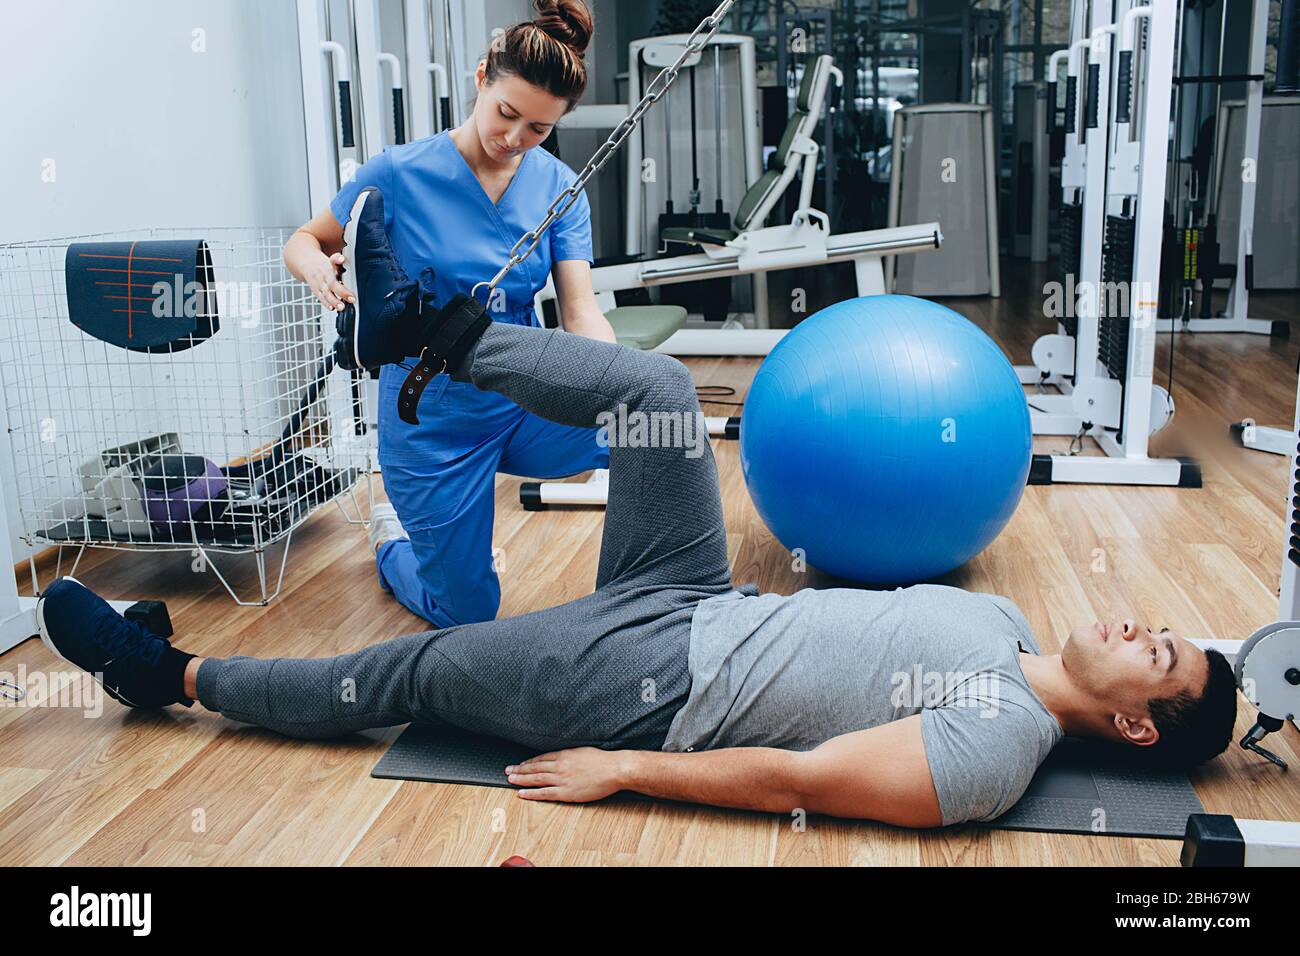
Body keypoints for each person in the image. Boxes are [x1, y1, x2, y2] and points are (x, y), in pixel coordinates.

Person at [37, 214, 1240, 827]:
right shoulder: (1009, 623)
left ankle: (168, 671)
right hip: (697, 597)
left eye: (1160, 653)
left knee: (412, 670)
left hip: (646, 683)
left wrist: (631, 767)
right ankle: (427, 333)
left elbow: (801, 777)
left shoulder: (993, 751)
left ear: (1136, 725)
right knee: (659, 395)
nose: (1142, 626)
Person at [282, 0, 615, 629]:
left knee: (658, 435)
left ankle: (644, 606)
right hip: (430, 416)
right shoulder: (398, 172)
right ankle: (391, 546)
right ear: (482, 76)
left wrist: (621, 381)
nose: (513, 139)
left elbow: (581, 313)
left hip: (525, 397)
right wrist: (318, 268)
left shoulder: (559, 188)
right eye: (507, 113)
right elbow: (304, 239)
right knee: (468, 612)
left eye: (538, 129)